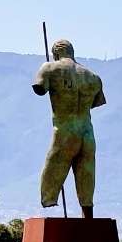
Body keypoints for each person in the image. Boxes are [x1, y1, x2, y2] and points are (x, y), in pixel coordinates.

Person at [32, 39, 106, 218]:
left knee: (54, 165)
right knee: (86, 172)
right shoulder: (93, 76)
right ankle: (87, 211)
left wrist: (48, 70)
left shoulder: (50, 68)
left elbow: (39, 88)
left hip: (65, 133)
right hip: (87, 134)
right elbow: (97, 102)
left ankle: (48, 200)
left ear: (56, 54)